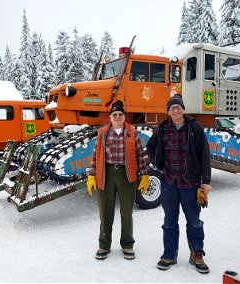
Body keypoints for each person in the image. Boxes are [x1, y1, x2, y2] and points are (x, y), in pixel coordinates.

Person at [146, 94, 212, 273]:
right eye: (172, 108)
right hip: (169, 182)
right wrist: (158, 164)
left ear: (183, 109)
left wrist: (206, 180)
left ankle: (196, 253)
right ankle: (169, 253)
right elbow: (150, 147)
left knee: (194, 221)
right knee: (169, 221)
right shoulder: (161, 128)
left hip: (190, 183)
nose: (175, 110)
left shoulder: (194, 127)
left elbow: (204, 154)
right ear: (168, 111)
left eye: (178, 107)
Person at [86, 100, 150, 261]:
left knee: (126, 212)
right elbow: (95, 155)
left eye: (120, 114)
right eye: (114, 114)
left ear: (124, 116)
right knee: (105, 212)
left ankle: (127, 244)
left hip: (126, 174)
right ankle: (104, 244)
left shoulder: (131, 132)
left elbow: (140, 154)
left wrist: (145, 174)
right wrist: (92, 175)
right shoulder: (102, 133)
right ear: (110, 117)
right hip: (106, 174)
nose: (117, 116)